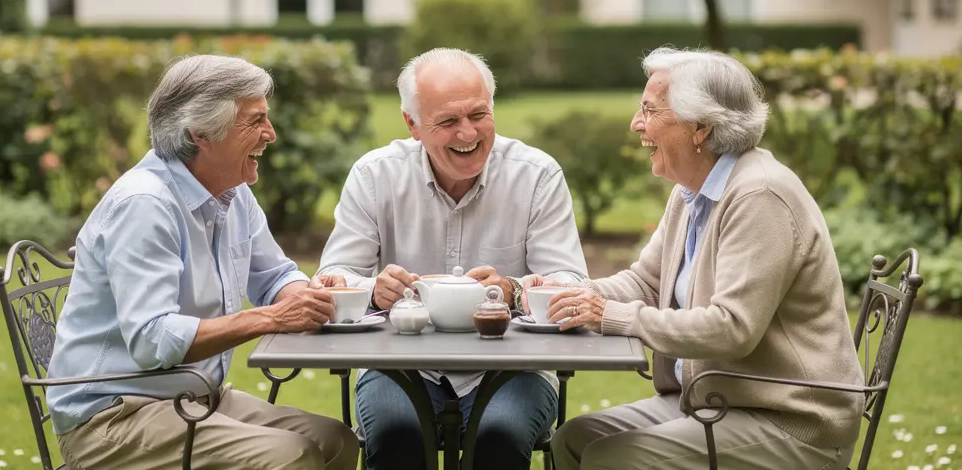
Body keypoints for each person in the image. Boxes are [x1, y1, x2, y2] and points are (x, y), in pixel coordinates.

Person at [540, 47, 865, 469]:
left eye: (649, 110)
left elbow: (732, 328)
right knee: (573, 440)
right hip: (719, 399)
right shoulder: (692, 193)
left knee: (611, 458)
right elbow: (645, 282)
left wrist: (612, 315)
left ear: (700, 127)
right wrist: (571, 293)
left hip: (790, 420)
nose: (636, 124)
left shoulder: (759, 196)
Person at [45, 55, 359, 470]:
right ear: (201, 133)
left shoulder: (232, 192)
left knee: (337, 441)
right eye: (256, 120)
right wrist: (272, 318)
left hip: (189, 397)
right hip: (113, 417)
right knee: (290, 457)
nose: (271, 134)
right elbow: (152, 339)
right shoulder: (145, 204)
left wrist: (309, 296)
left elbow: (275, 275)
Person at [315, 47, 590, 470]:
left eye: (479, 115)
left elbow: (571, 283)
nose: (468, 134)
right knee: (395, 438)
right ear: (412, 125)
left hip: (517, 368)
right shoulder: (376, 175)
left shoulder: (536, 175)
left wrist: (513, 290)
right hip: (399, 366)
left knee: (498, 436)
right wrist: (375, 289)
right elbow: (332, 278)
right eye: (448, 121)